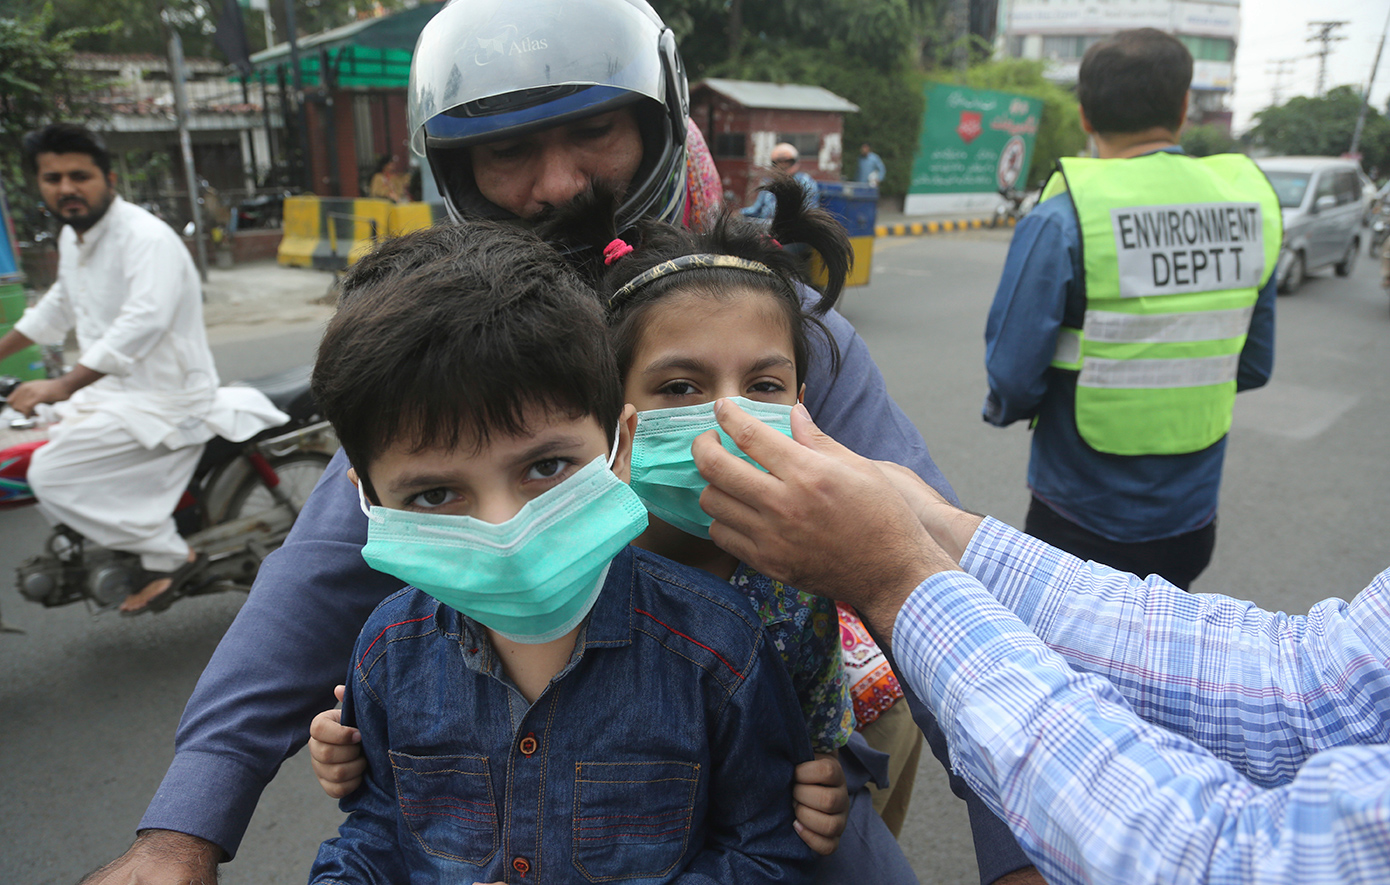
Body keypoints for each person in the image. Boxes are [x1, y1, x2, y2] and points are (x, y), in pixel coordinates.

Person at [81, 2, 1031, 882]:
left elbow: (929, 577)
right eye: (507, 151)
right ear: (453, 172)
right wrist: (183, 831)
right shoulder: (477, 350)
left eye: (593, 132)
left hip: (781, 760)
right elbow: (313, 583)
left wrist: (1017, 853)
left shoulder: (768, 328)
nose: (559, 184)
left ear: (658, 124)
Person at [309, 180, 920, 883]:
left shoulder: (753, 618)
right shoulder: (389, 651)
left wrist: (826, 780)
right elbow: (386, 823)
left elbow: (769, 830)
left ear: (617, 445)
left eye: (545, 467)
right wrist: (348, 742)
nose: (507, 529)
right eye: (436, 493)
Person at [692, 397, 1390, 885]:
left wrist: (900, 576)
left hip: (1079, 486)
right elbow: (1318, 685)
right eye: (683, 389)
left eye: (764, 385)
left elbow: (1222, 860)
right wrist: (942, 536)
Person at [983, 28, 1281, 590]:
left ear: (1085, 115)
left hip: (1077, 518)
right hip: (1191, 520)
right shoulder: (1246, 209)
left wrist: (1007, 406)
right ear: (1185, 107)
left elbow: (1012, 374)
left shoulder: (1065, 215)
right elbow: (1255, 363)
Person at [0, 123, 282, 615]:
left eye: (79, 175)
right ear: (39, 185)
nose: (66, 188)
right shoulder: (75, 239)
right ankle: (121, 542)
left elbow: (141, 326)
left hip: (166, 400)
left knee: (50, 473)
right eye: (53, 178)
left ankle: (171, 555)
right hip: (112, 397)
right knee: (15, 440)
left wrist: (61, 385)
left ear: (108, 177)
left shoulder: (145, 237)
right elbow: (56, 310)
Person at [742, 144, 820, 220]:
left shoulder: (805, 182)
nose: (783, 166)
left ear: (797, 162)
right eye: (778, 162)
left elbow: (807, 212)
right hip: (766, 226)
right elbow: (756, 210)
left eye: (787, 162)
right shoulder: (769, 182)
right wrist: (740, 213)